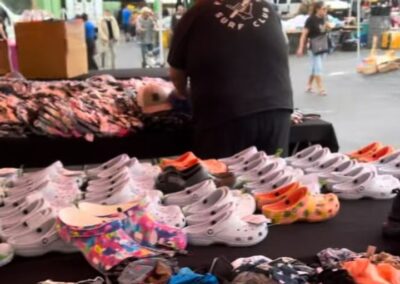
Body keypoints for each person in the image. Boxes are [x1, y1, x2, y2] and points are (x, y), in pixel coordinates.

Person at [168, 0, 293, 159]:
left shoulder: (196, 14)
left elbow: (176, 74)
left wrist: (184, 94)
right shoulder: (268, 8)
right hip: (277, 110)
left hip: (224, 115)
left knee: (224, 178)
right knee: (273, 177)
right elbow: (282, 51)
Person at [297, 1, 330, 96]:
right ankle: (321, 88)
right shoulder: (310, 20)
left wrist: (328, 27)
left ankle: (308, 85)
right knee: (318, 67)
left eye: (326, 9)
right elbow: (304, 35)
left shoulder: (324, 18)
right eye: (324, 9)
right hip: (313, 47)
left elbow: (323, 30)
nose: (325, 11)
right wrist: (300, 47)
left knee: (313, 68)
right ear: (317, 9)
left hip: (322, 45)